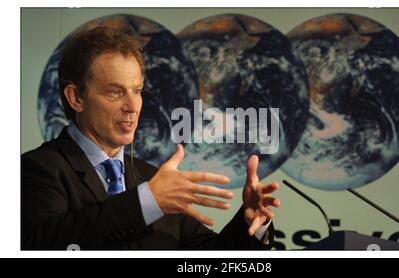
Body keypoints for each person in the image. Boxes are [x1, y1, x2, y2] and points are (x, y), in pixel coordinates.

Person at [21, 26, 281, 250]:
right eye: (115, 92)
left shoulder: (153, 180)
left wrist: (250, 224)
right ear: (76, 97)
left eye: (137, 90)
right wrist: (146, 202)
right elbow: (45, 243)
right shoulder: (38, 170)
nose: (133, 106)